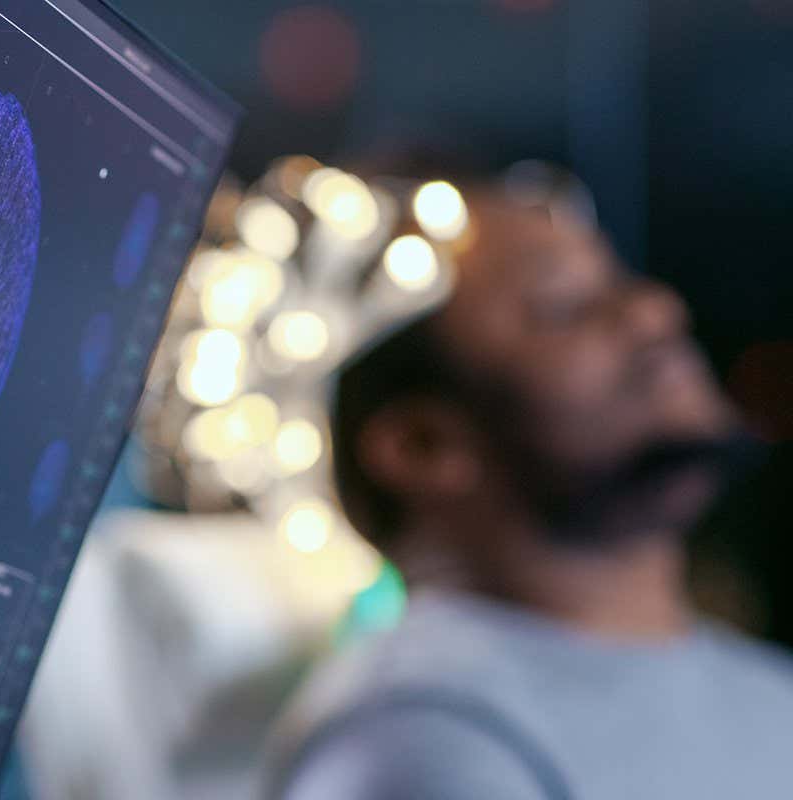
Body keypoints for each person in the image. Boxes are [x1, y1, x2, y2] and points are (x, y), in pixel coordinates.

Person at [268, 187, 793, 798]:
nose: (654, 311)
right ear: (424, 444)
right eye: (562, 306)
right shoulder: (425, 742)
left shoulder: (768, 689)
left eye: (621, 284)